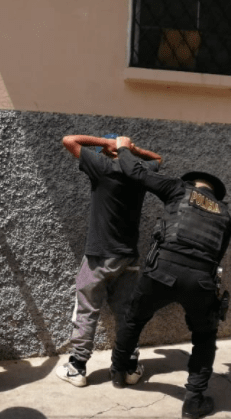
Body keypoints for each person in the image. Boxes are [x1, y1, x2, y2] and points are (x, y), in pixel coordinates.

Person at [110, 136, 231, 419]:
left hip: (161, 270)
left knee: (133, 318)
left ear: (193, 183)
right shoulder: (225, 215)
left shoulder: (180, 189)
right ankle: (193, 402)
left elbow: (135, 173)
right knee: (204, 337)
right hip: (201, 281)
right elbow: (218, 256)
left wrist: (123, 148)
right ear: (215, 192)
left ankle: (118, 372)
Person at [55, 134, 162, 387]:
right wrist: (132, 148)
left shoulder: (103, 168)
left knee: (87, 310)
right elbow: (158, 158)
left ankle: (77, 367)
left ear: (108, 152)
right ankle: (130, 366)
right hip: (129, 257)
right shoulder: (140, 172)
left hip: (99, 255)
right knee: (126, 313)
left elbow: (69, 140)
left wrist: (105, 142)